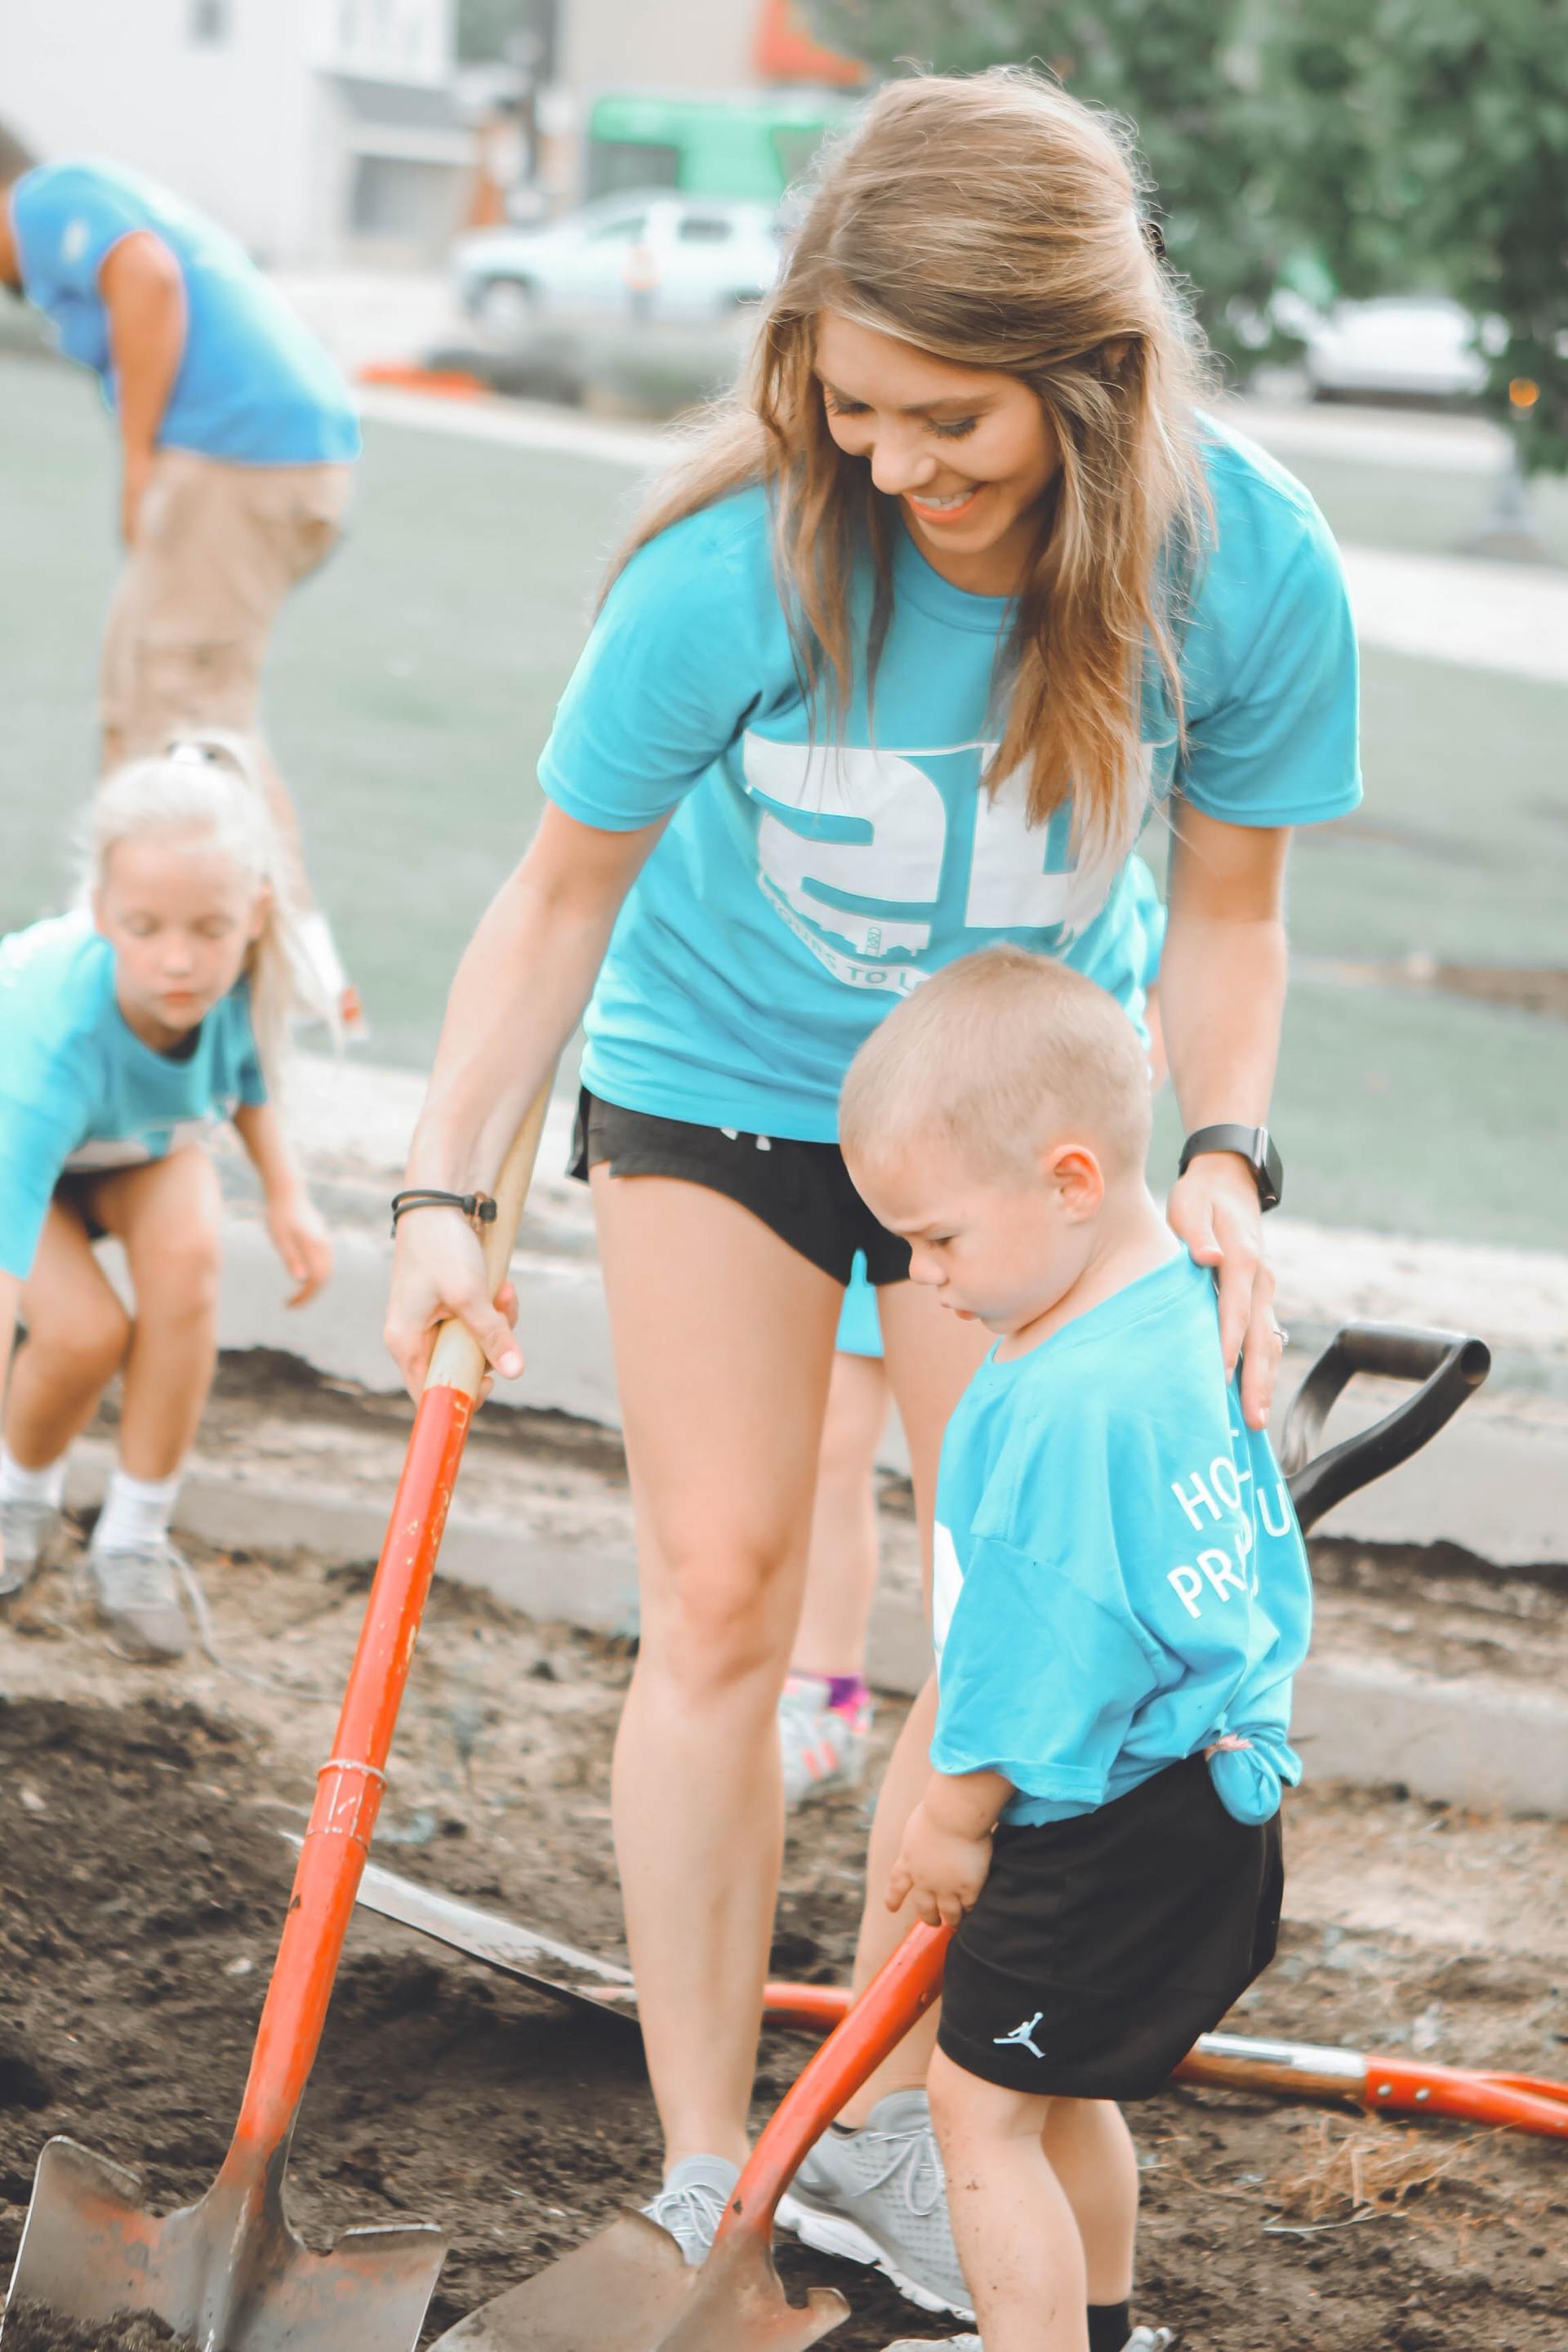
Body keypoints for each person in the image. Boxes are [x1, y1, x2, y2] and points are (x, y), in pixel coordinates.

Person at [384, 69, 1358, 2318]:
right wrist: (448, 1188)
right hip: (722, 1084)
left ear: (1092, 382)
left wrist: (1220, 1159)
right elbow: (556, 899)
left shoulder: (1244, 562)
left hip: (1016, 1143)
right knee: (722, 1589)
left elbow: (1232, 913)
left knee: (990, 1613)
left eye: (953, 423)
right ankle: (712, 2167)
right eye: (852, 409)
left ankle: (906, 2134)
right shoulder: (737, 560)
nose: (896, 469)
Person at [823, 945, 1309, 2352]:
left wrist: (954, 1810)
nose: (919, 1278)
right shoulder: (1193, 1315)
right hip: (1214, 1793)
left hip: (1100, 1818)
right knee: (1063, 2087)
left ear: (1073, 1181)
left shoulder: (1061, 1408)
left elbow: (1036, 1652)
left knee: (978, 2119)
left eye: (939, 1241)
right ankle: (1099, 2334)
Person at [777, 858, 1168, 1811]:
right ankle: (826, 1686)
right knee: (831, 1441)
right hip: (908, 1159)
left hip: (985, 1183)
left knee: (964, 1503)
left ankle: (959, 1729)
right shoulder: (941, 1230)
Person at [0, 122, 364, 1032]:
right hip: (269, 460)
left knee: (181, 715)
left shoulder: (43, 197)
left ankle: (252, 975)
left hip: (236, 462)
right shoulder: (87, 200)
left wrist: (138, 460)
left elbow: (147, 275)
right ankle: (163, 947)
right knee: (156, 701)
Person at [0, 738, 333, 1658]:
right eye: (145, 928)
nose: (179, 961)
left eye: (208, 929)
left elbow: (250, 1075)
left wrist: (287, 1195)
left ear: (255, 915)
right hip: (20, 1146)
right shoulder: (50, 1038)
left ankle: (134, 1539)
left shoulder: (239, 983)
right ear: (101, 912)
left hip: (128, 1147)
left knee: (190, 1260)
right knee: (81, 1334)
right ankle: (16, 1499)